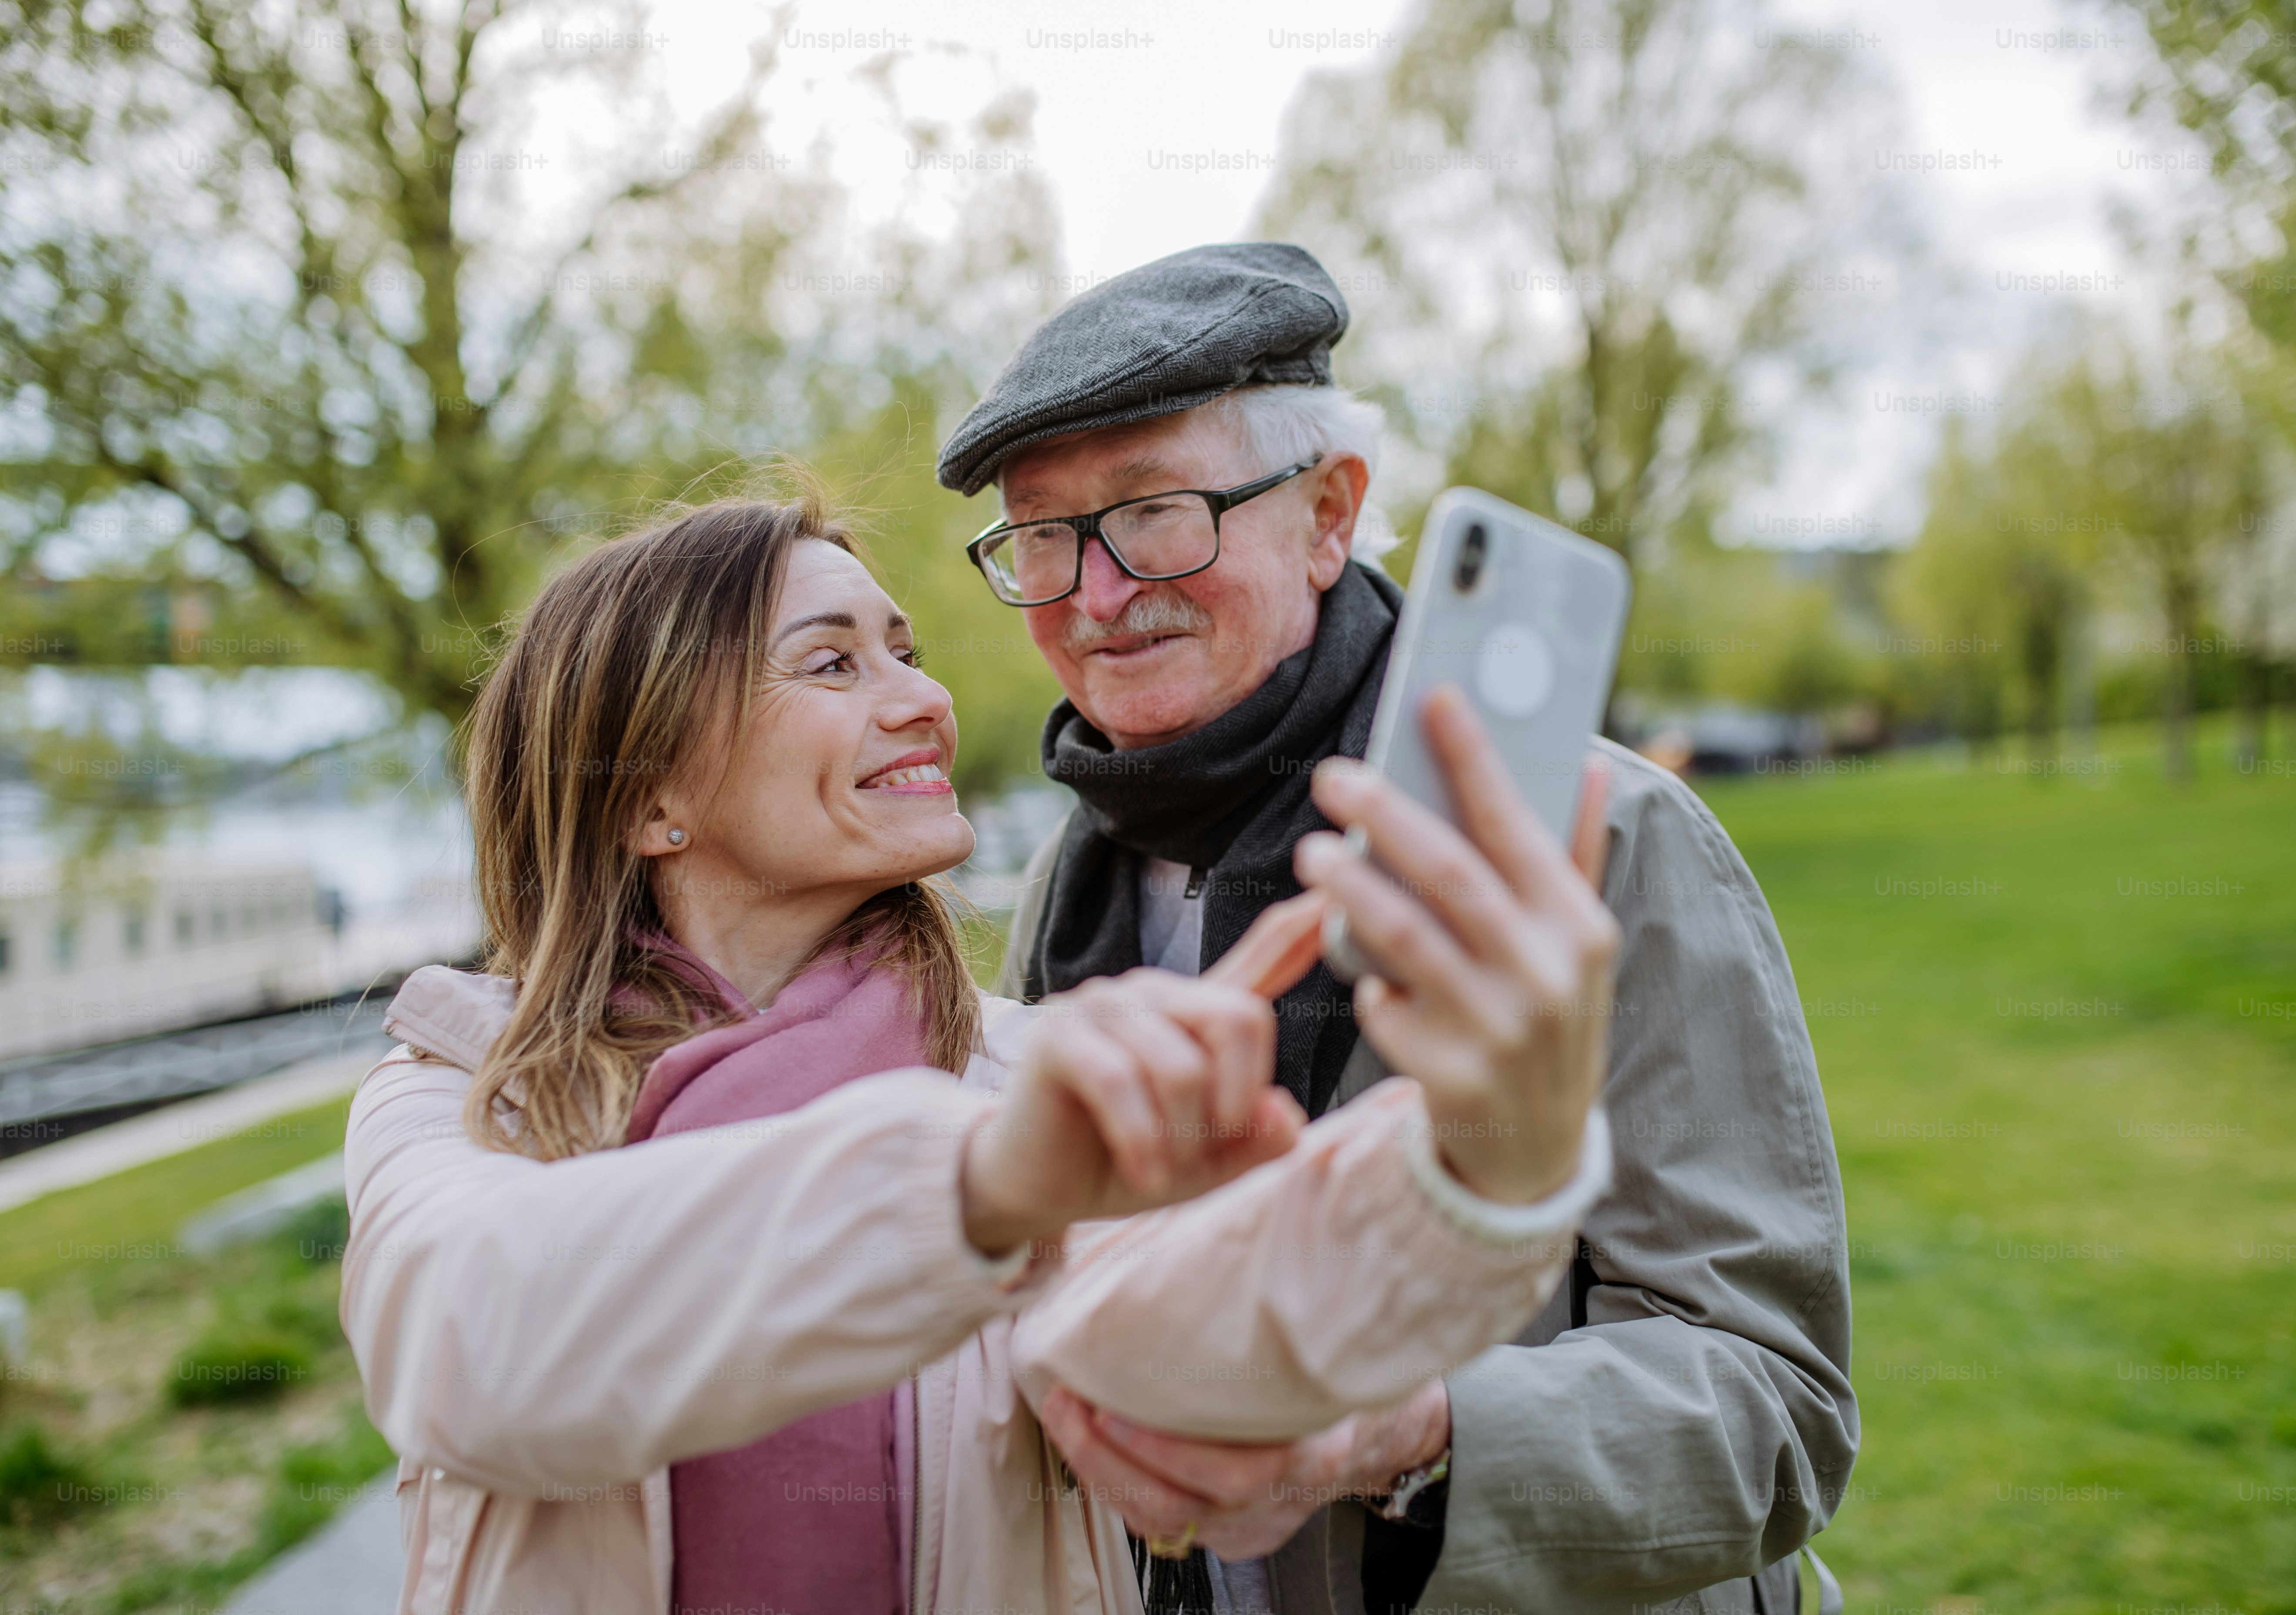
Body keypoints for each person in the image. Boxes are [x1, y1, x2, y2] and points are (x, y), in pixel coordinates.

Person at [340, 491, 1625, 1615]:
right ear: (648, 800)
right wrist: (981, 1188)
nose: (929, 700)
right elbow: (480, 1346)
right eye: (831, 666)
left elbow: (1224, 1344)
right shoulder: (460, 1099)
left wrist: (1489, 1141)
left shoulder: (1015, 1081)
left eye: (904, 649)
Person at [943, 243, 1857, 1614]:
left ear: (1328, 514)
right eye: (1043, 537)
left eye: (1153, 516)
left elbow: (1775, 1413)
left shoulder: (1601, 839)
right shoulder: (1068, 890)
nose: (1094, 595)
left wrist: (1406, 1434)